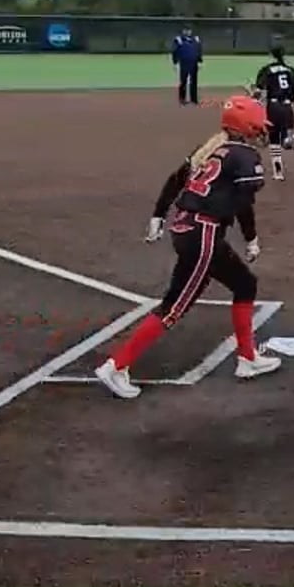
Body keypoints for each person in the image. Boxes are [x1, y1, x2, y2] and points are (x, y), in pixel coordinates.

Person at [93, 95, 279, 398]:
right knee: (175, 306)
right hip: (204, 233)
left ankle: (248, 358)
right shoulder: (244, 156)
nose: (261, 131)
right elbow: (243, 203)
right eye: (258, 126)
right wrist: (251, 238)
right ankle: (116, 366)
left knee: (245, 284)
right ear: (247, 126)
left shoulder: (212, 148)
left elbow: (176, 179)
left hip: (190, 228)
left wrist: (158, 214)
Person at [252, 41, 294, 180]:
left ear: (271, 55)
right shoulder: (291, 70)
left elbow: (258, 92)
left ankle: (278, 172)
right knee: (286, 128)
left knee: (273, 138)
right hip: (287, 106)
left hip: (273, 106)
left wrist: (253, 96)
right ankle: (287, 137)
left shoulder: (267, 70)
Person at [171, 27, 203, 105]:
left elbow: (199, 50)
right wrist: (175, 62)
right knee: (183, 81)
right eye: (185, 30)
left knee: (194, 81)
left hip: (194, 62)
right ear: (183, 31)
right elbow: (174, 51)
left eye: (189, 30)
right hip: (184, 63)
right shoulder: (178, 39)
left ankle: (194, 99)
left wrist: (200, 61)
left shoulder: (196, 39)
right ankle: (182, 99)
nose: (188, 32)